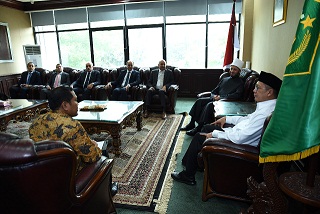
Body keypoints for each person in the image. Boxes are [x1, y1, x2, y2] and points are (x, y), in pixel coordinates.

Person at [171, 71, 282, 185]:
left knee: (200, 137)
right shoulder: (266, 106)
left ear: (269, 92)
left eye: (258, 88)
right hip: (236, 135)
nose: (254, 90)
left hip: (239, 145)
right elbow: (247, 119)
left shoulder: (265, 113)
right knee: (207, 127)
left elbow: (240, 138)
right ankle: (192, 163)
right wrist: (227, 119)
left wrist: (214, 135)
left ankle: (188, 175)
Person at [29, 86, 118, 195]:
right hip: (68, 174)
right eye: (75, 100)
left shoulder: (36, 122)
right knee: (103, 151)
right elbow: (92, 156)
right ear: (65, 105)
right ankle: (108, 190)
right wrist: (93, 145)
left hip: (43, 171)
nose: (78, 103)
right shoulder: (72, 126)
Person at [181, 58, 244, 136]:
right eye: (231, 69)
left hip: (225, 103)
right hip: (216, 99)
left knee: (209, 105)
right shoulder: (225, 79)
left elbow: (236, 96)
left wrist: (220, 97)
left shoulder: (240, 83)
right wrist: (214, 96)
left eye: (235, 69)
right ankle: (191, 123)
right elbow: (214, 91)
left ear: (239, 71)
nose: (232, 71)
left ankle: (199, 127)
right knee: (199, 101)